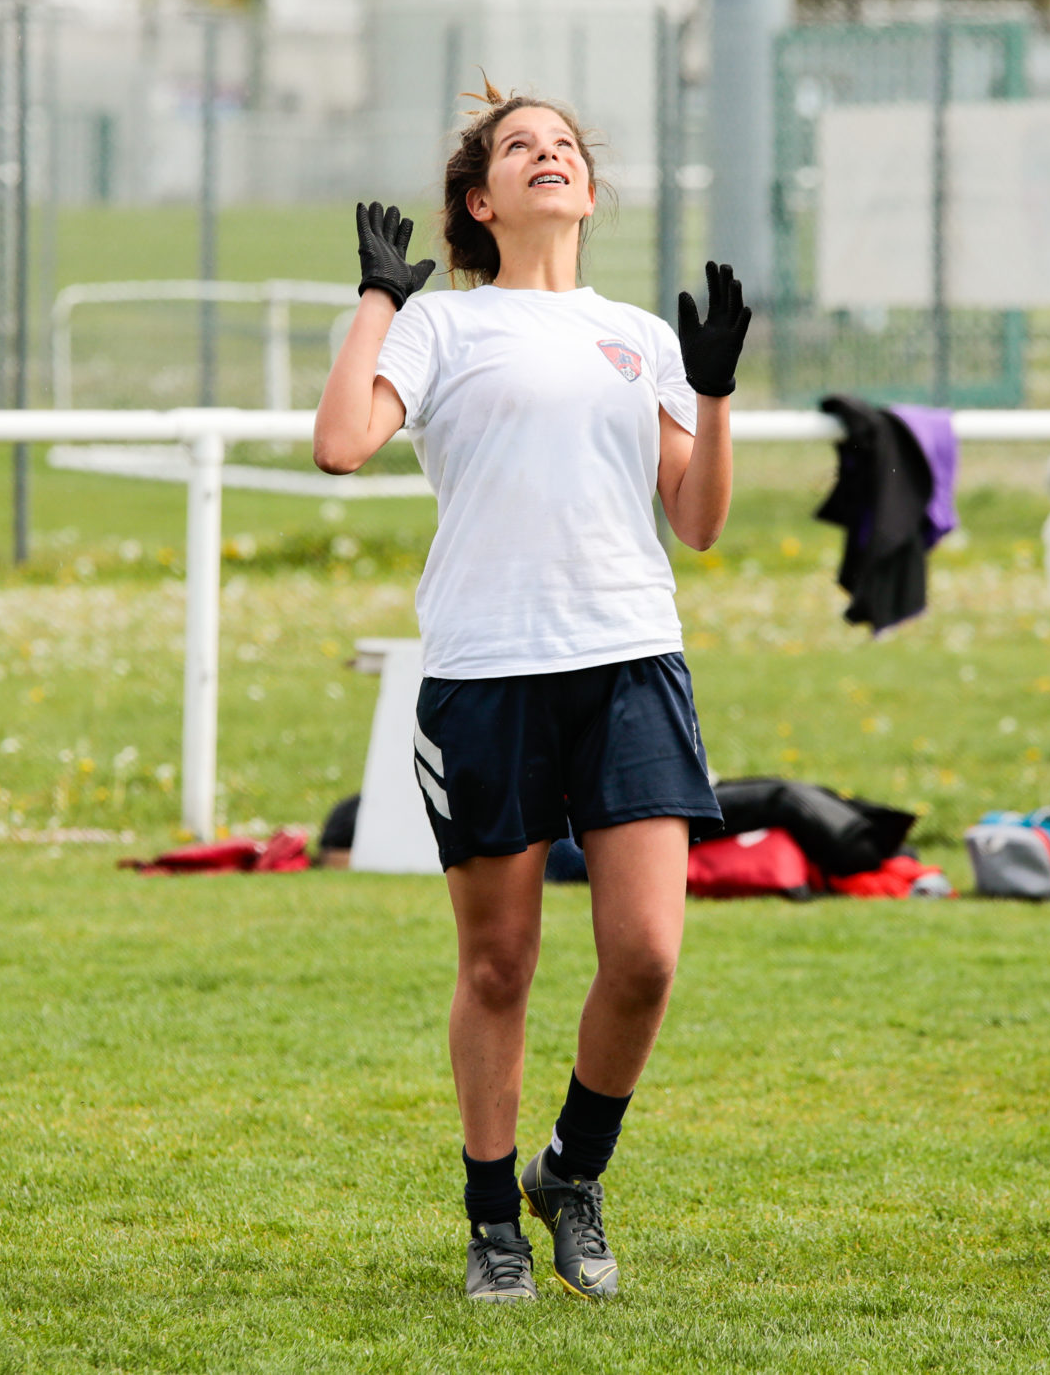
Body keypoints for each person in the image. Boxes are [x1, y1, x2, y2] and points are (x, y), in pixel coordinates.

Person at [313, 89, 751, 1302]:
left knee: (649, 954)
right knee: (500, 965)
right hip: (486, 671)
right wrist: (378, 301)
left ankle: (575, 1171)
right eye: (520, 148)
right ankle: (489, 1212)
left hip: (628, 659)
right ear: (479, 200)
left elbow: (700, 521)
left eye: (565, 147)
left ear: (589, 193)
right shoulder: (442, 331)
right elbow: (340, 444)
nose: (548, 157)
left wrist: (711, 395)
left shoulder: (639, 336)